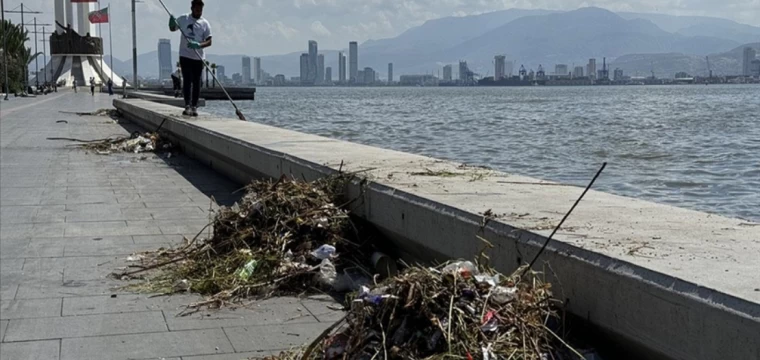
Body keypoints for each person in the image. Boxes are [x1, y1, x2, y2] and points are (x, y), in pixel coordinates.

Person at [169, 0, 212, 117]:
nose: (199, 12)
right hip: (185, 55)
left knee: (197, 82)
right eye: (197, 10)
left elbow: (209, 41)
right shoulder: (184, 19)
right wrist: (171, 23)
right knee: (187, 80)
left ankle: (194, 106)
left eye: (201, 10)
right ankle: (187, 105)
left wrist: (199, 45)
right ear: (192, 8)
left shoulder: (205, 23)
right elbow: (173, 29)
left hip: (198, 57)